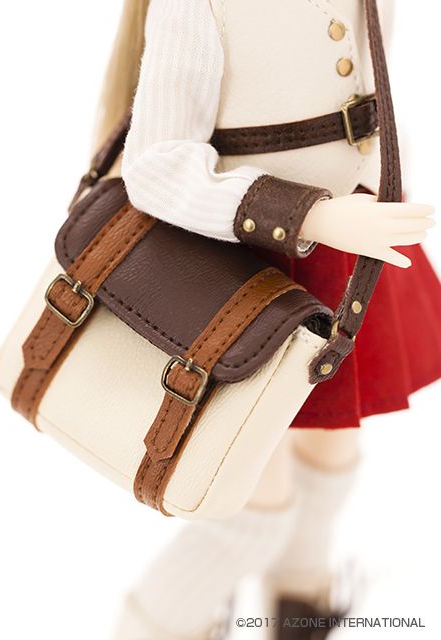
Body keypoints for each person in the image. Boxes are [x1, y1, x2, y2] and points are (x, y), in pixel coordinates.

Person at [89, 1, 441, 638]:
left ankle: (301, 608)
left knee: (332, 450)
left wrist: (381, 182)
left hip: (352, 251)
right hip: (245, 266)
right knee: (252, 504)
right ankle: (155, 624)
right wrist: (309, 214)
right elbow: (156, 166)